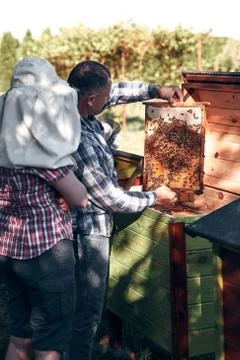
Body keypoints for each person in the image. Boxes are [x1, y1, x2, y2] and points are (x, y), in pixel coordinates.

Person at [67, 60, 183, 360]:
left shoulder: (75, 104)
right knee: (86, 311)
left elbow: (115, 92)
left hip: (84, 225)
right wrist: (152, 197)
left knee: (83, 308)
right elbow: (111, 199)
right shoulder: (79, 139)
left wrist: (156, 89)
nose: (110, 99)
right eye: (104, 97)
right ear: (91, 99)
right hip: (87, 231)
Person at [0, 57, 88, 360]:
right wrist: (70, 191)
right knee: (50, 342)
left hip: (9, 251)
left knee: (20, 335)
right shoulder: (43, 156)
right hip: (48, 253)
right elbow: (80, 198)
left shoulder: (3, 150)